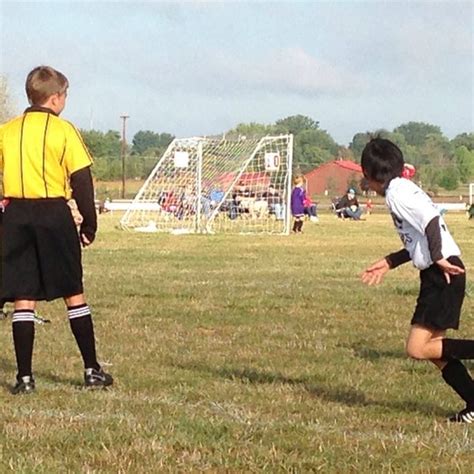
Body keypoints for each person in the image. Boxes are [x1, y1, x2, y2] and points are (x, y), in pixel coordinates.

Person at [0, 66, 113, 394]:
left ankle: (24, 379)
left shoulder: (7, 131)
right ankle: (91, 370)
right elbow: (81, 181)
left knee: (24, 297)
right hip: (53, 214)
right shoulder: (64, 131)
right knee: (72, 292)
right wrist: (89, 224)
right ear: (56, 98)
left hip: (17, 216)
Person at [360, 137, 473, 423]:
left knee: (417, 348)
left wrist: (438, 258)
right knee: (435, 351)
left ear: (372, 175)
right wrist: (389, 262)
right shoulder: (400, 189)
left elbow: (431, 220)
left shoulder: (398, 194)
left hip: (442, 274)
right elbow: (417, 242)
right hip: (439, 272)